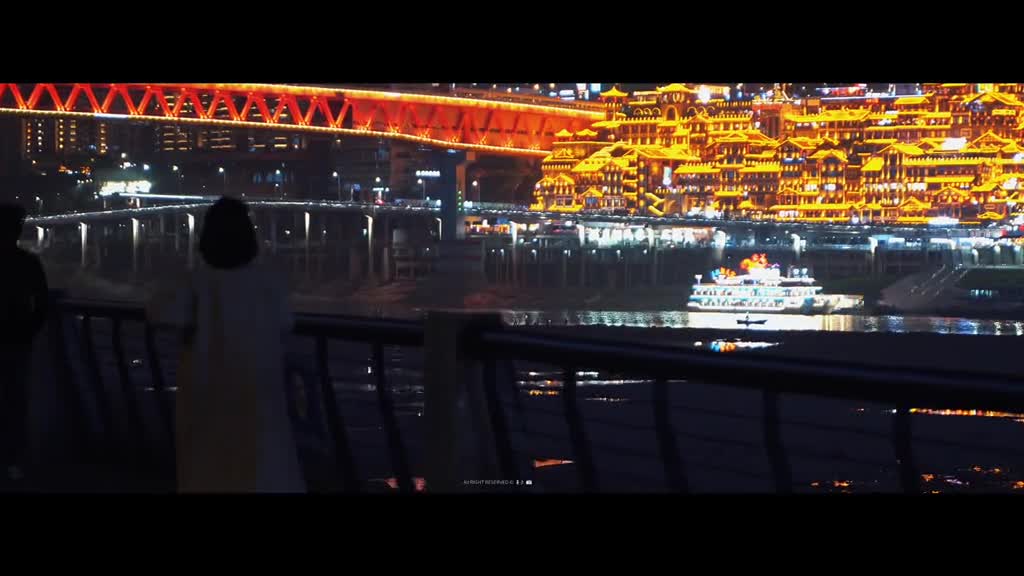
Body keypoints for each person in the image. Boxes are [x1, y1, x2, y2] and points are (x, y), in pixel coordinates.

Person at [147, 197, 304, 493]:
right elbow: (286, 323)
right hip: (259, 390)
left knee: (207, 467)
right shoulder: (269, 282)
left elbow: (159, 313)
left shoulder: (194, 282)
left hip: (206, 390)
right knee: (264, 467)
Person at [0, 203, 49, 484]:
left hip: (16, 340)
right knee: (15, 402)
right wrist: (28, 331)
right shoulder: (27, 263)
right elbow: (41, 303)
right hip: (17, 342)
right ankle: (12, 462)